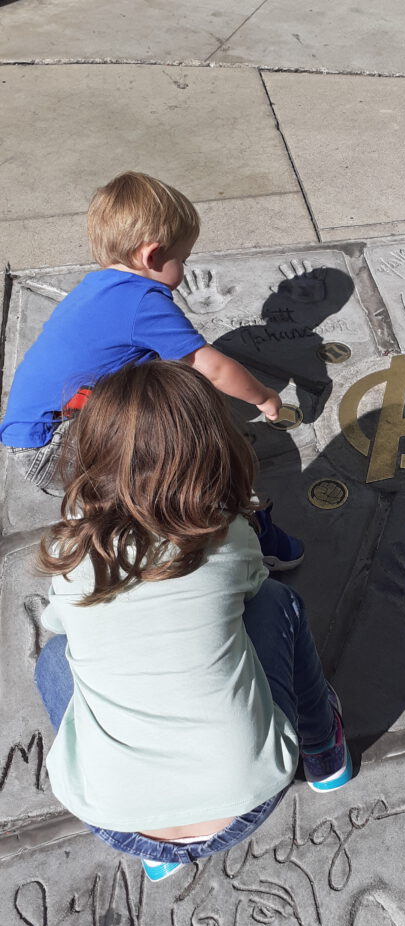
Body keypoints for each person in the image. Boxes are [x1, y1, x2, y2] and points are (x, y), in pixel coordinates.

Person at [33, 360, 352, 883]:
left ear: (91, 455)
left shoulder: (71, 553)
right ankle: (324, 754)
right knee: (277, 604)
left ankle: (158, 856)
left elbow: (61, 623)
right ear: (216, 449)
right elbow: (254, 589)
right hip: (247, 798)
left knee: (53, 657)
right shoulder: (226, 536)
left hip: (115, 821)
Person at [0, 170, 302, 569]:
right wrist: (264, 397)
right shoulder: (145, 303)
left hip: (37, 433)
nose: (185, 268)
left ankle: (114, 500)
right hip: (56, 448)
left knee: (163, 396)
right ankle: (230, 525)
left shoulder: (97, 287)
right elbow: (212, 369)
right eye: (183, 259)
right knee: (184, 462)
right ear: (153, 256)